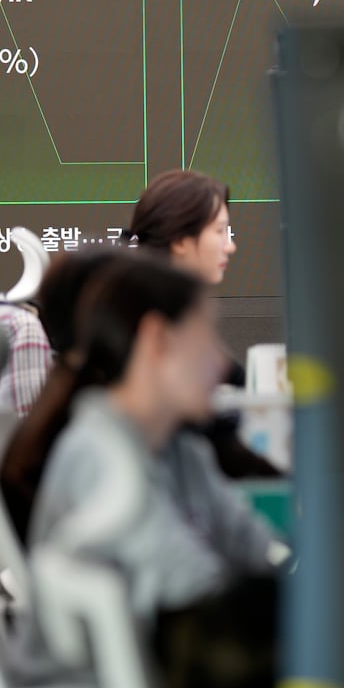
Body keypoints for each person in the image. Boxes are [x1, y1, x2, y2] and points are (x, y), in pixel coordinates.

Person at [0, 255, 285, 688]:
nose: (223, 361)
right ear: (157, 339)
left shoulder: (177, 448)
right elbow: (196, 590)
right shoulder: (104, 459)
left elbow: (253, 550)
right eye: (208, 336)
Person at [123, 169, 283, 480]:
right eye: (221, 231)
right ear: (182, 240)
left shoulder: (167, 315)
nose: (230, 246)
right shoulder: (153, 326)